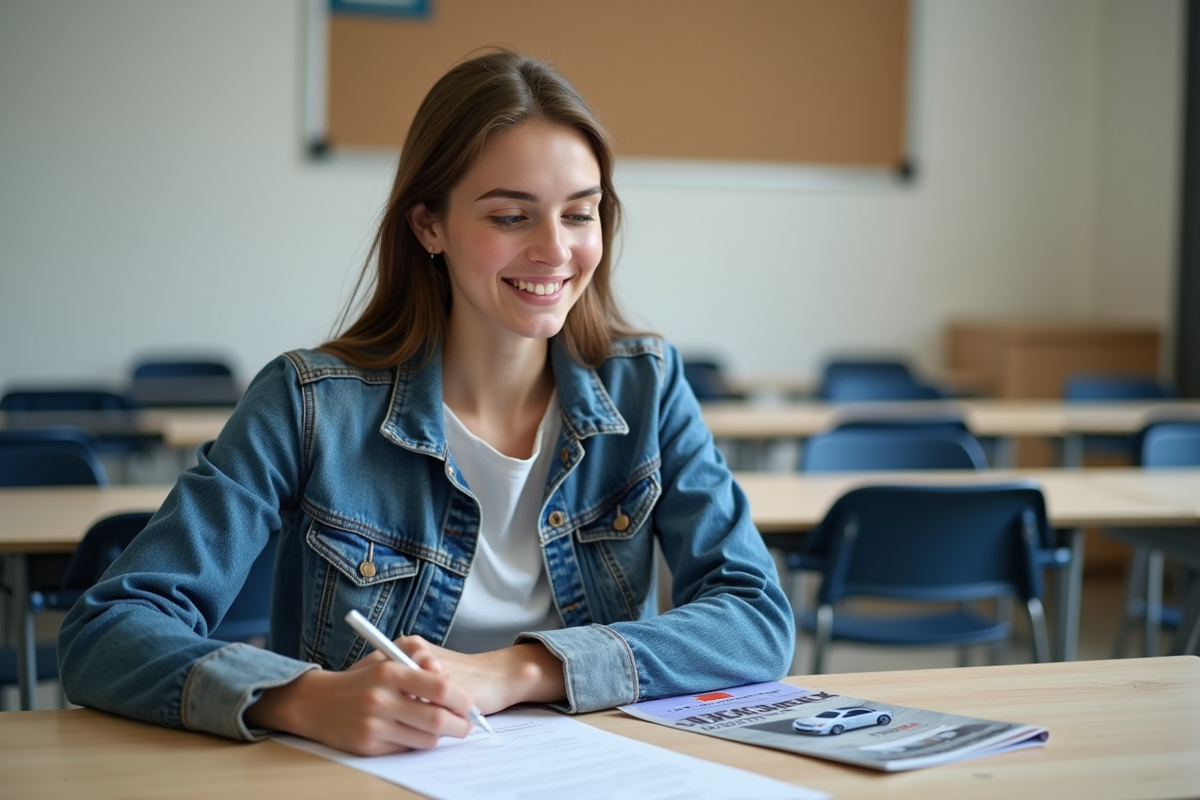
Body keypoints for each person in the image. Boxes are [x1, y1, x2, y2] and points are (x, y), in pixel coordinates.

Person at [58, 49, 794, 756]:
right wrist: (305, 698)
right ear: (429, 225)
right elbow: (108, 630)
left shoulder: (648, 383)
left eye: (580, 213)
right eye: (511, 217)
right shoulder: (309, 403)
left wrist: (517, 670)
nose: (555, 249)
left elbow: (756, 618)